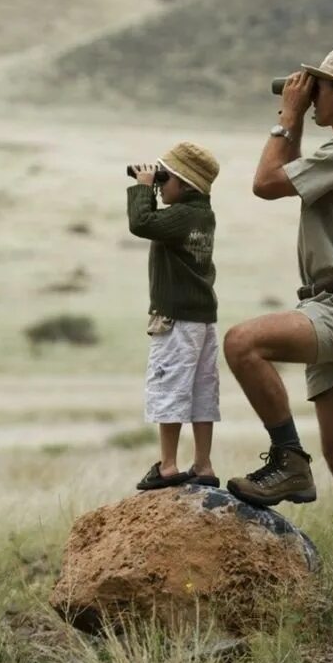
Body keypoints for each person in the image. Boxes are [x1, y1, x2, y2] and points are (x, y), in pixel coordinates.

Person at [223, 47, 333, 575]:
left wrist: (287, 118)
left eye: (318, 86)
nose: (310, 94)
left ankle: (288, 460)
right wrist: (299, 119)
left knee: (242, 342)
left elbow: (266, 184)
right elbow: (289, 175)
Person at [127, 142, 222, 491]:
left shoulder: (182, 216)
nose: (159, 184)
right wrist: (153, 187)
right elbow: (154, 223)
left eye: (164, 178)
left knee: (168, 387)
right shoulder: (201, 214)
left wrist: (141, 187)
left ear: (184, 184)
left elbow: (141, 224)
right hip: (201, 319)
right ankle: (204, 463)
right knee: (201, 390)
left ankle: (168, 465)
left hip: (176, 320)